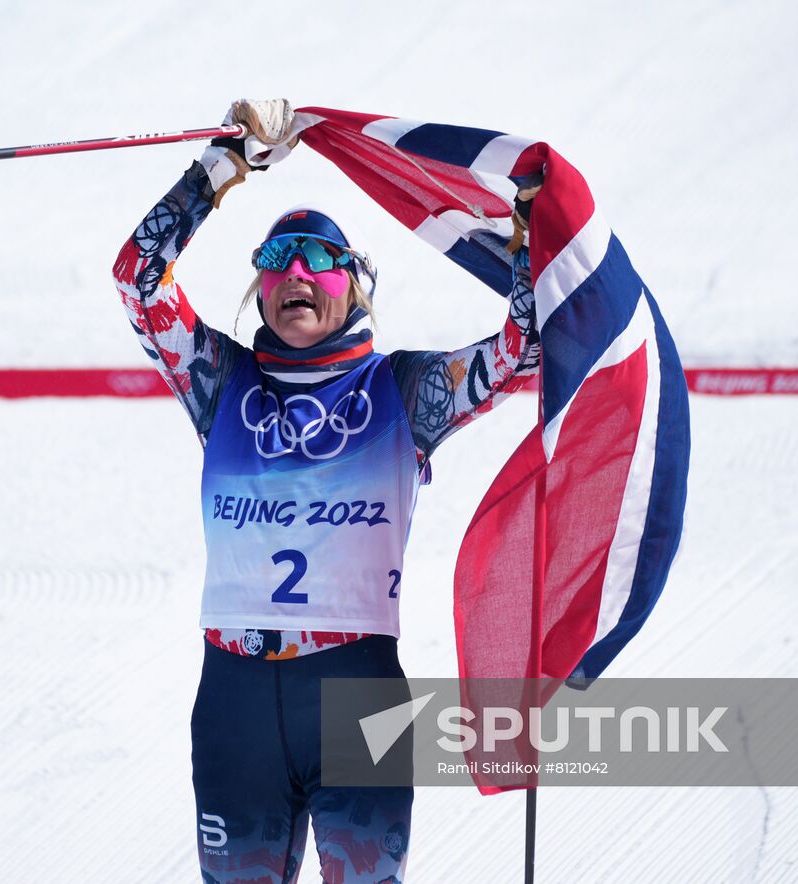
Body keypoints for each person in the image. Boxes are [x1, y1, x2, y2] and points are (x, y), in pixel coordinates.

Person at [111, 99, 541, 883]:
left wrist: (533, 233)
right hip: (235, 699)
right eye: (276, 259)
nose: (295, 273)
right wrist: (224, 163)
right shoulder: (221, 382)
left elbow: (525, 348)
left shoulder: (403, 390)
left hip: (355, 694)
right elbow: (138, 282)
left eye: (318, 257)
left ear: (357, 284)